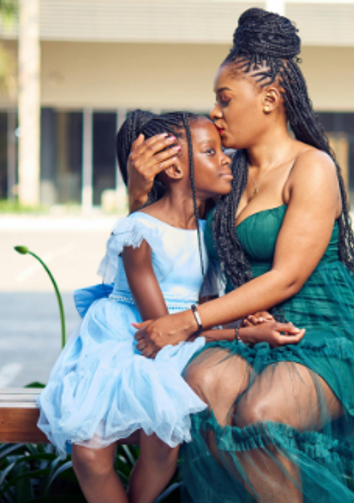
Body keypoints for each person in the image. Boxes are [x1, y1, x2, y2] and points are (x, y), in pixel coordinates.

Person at [128, 9, 354, 503]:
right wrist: (139, 192)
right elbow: (165, 237)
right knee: (198, 387)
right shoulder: (229, 174)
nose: (215, 113)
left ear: (269, 99)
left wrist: (188, 322)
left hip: (327, 332)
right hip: (255, 330)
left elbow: (286, 277)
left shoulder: (312, 167)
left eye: (225, 99)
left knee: (261, 413)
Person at [37, 110, 303, 503]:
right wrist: (247, 334)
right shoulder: (139, 229)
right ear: (174, 169)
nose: (227, 158)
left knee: (163, 444)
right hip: (131, 339)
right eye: (212, 152)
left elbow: (200, 302)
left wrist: (245, 313)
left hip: (182, 335)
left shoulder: (208, 231)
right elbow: (160, 328)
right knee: (90, 454)